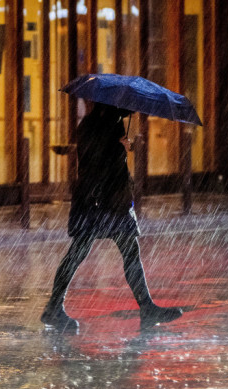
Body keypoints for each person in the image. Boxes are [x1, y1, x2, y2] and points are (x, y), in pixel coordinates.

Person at [41, 102, 183, 333]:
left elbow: (99, 158)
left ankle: (146, 306)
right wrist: (118, 147)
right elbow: (96, 159)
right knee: (81, 251)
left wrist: (121, 146)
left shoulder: (100, 122)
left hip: (104, 198)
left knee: (122, 251)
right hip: (100, 200)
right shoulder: (100, 124)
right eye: (124, 106)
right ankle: (54, 307)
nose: (129, 110)